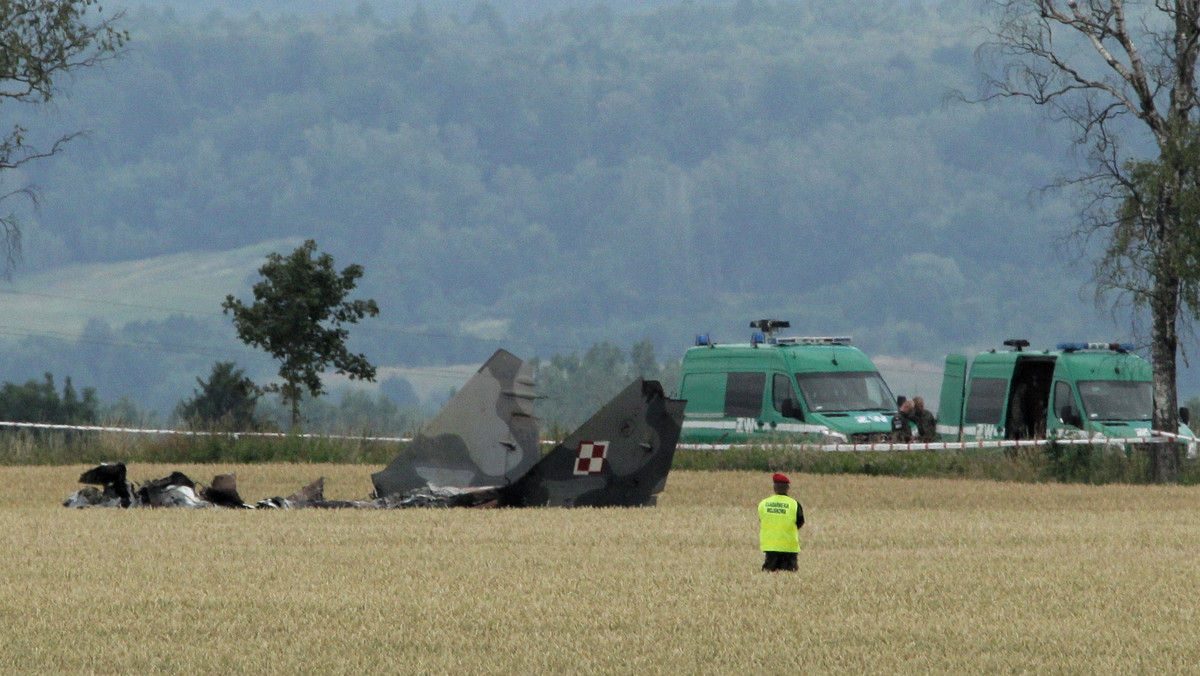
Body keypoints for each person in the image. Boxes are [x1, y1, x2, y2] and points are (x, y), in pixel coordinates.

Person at [758, 473, 804, 571]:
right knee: (790, 575)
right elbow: (800, 522)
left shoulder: (763, 503)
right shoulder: (794, 504)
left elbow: (762, 520)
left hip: (770, 546)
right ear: (787, 488)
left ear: (774, 487)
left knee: (769, 574)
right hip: (789, 547)